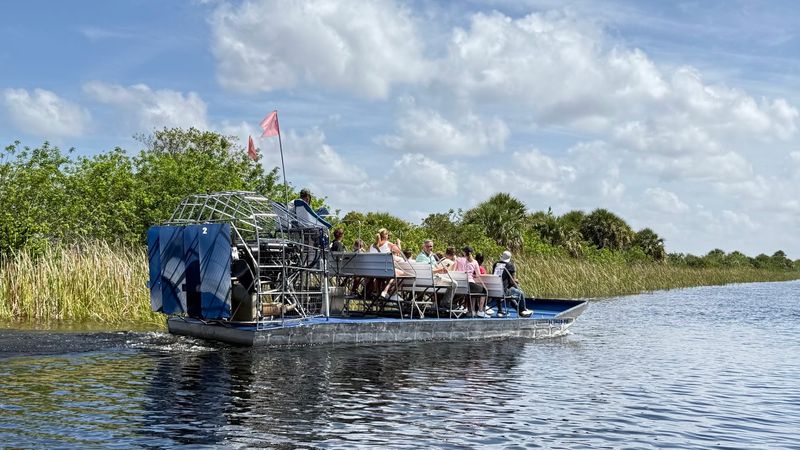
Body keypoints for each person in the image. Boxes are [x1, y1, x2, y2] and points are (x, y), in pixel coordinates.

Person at [416, 240, 456, 311]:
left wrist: (443, 270)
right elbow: (427, 271)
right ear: (423, 247)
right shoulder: (421, 257)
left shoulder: (431, 256)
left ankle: (443, 303)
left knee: (453, 283)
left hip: (434, 279)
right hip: (428, 281)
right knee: (454, 284)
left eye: (431, 246)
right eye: (427, 246)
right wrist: (440, 270)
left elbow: (437, 267)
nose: (429, 248)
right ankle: (445, 303)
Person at [492, 250, 533, 317]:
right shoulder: (510, 265)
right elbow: (512, 281)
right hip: (503, 292)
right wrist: (516, 281)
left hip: (494, 291)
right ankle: (523, 310)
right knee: (520, 293)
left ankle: (500, 310)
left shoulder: (495, 264)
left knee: (510, 294)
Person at [454, 246, 488, 318]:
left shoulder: (459, 260)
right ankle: (480, 311)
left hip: (460, 283)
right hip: (469, 283)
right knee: (484, 291)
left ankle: (471, 310)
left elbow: (454, 271)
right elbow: (479, 275)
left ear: (464, 252)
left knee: (473, 291)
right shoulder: (474, 262)